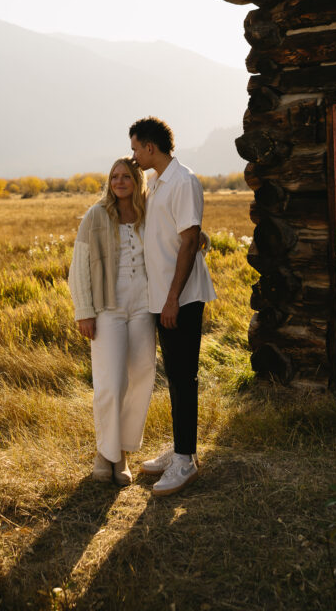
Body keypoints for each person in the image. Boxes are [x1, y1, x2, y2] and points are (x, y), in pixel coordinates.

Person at [129, 116, 217, 496]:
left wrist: (171, 300)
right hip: (162, 297)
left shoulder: (182, 181)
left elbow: (189, 241)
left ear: (151, 147)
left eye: (135, 148)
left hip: (179, 299)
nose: (133, 156)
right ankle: (180, 448)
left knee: (184, 376)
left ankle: (186, 461)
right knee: (174, 377)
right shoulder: (156, 182)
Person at [68, 157, 156, 485]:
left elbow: (172, 236)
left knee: (143, 375)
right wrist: (84, 311)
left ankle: (124, 450)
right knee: (111, 382)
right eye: (114, 176)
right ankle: (107, 454)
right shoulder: (96, 215)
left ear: (137, 180)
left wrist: (200, 237)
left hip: (143, 305)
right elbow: (78, 266)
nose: (119, 182)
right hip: (108, 306)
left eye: (126, 176)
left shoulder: (149, 212)